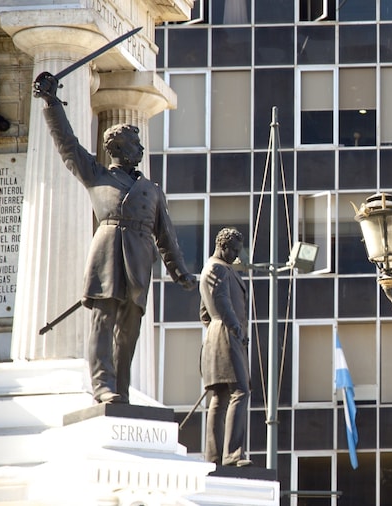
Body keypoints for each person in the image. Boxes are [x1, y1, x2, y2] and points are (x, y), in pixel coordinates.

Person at [33, 72, 196, 404]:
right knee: (103, 322)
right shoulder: (98, 175)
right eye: (136, 144)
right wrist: (51, 102)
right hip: (107, 254)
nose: (141, 148)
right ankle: (103, 385)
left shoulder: (153, 191)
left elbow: (166, 237)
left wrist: (181, 272)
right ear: (119, 148)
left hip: (138, 261)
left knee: (129, 332)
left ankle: (121, 389)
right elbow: (68, 144)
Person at [199, 227, 251, 467]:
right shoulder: (217, 268)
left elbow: (203, 314)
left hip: (218, 334)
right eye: (234, 251)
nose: (236, 256)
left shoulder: (215, 268)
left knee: (220, 397)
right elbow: (221, 301)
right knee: (240, 391)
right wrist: (235, 328)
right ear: (223, 246)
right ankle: (232, 454)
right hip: (227, 335)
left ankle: (215, 455)